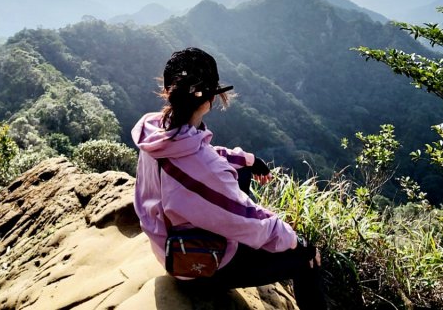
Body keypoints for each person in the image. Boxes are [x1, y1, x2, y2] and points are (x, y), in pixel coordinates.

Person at [132, 47, 327, 310]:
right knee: (306, 259)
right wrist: (296, 241)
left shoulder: (156, 129)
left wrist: (246, 160)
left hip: (165, 238)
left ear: (169, 89)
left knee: (241, 172)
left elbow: (200, 152)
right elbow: (247, 220)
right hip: (194, 263)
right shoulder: (204, 169)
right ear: (209, 98)